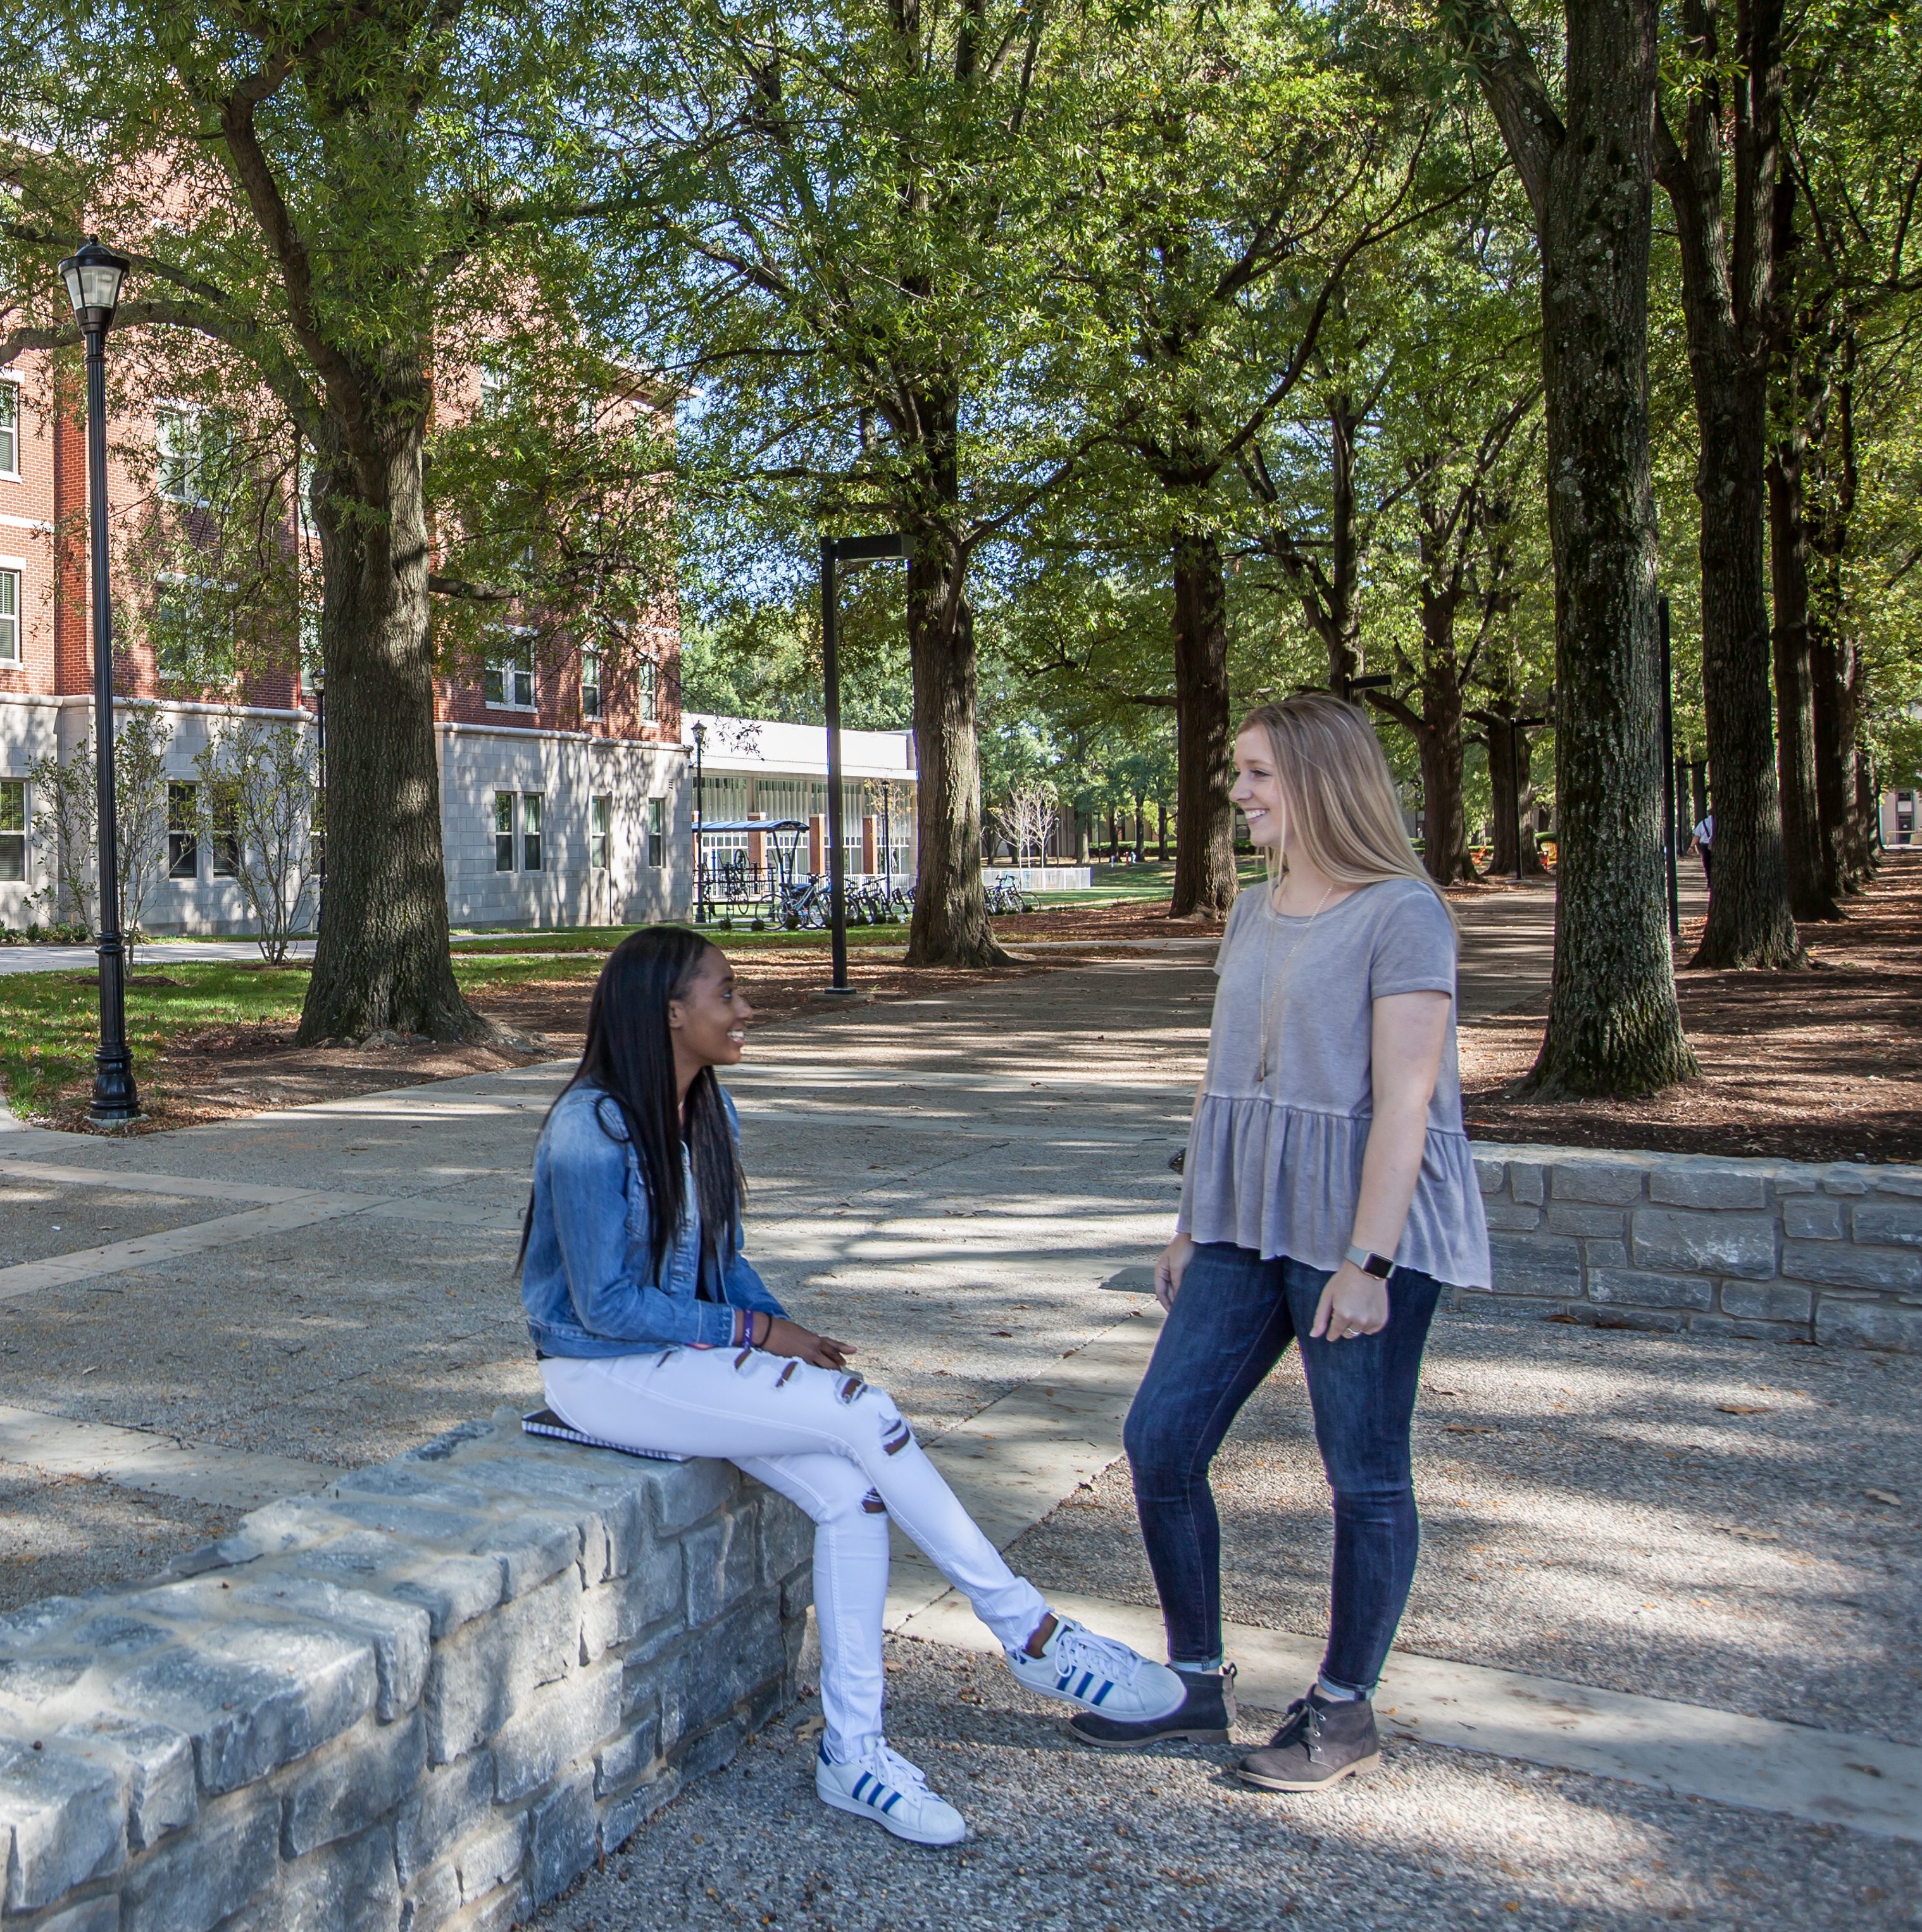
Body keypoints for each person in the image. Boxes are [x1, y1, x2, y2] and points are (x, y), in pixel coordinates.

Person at [521, 926, 1187, 1848]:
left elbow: (723, 1266)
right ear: (670, 1013)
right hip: (599, 1374)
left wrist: (779, 1331)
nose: (745, 1007)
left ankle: (854, 1753)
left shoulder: (708, 1113)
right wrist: (755, 1335)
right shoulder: (589, 1127)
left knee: (849, 1492)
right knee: (864, 1412)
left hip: (679, 1362)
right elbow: (602, 1307)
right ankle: (1030, 1636)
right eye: (726, 993)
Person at [1085, 694, 1490, 1791]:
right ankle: (1195, 1684)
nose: (1241, 792)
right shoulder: (1254, 911)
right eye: (1240, 773)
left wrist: (1369, 1263)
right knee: (1160, 1440)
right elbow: (1229, 1082)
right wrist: (1187, 1224)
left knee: (1363, 1474)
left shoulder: (1405, 913)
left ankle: (1345, 1710)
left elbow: (1406, 1103)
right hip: (1241, 1220)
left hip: (1355, 1228)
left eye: (1259, 773)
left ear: (1318, 779)